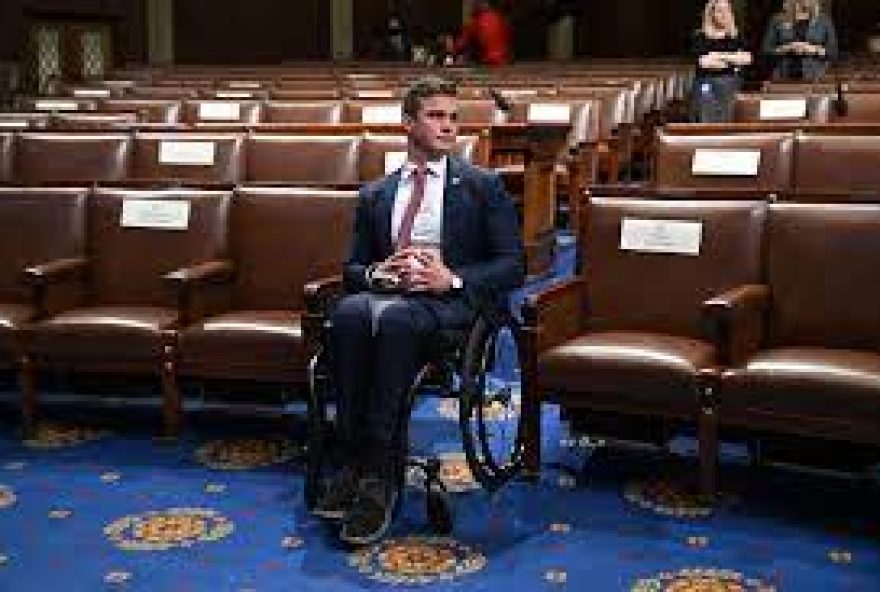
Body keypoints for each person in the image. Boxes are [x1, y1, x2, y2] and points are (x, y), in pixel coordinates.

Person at [313, 76, 525, 546]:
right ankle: (352, 458)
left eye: (453, 117)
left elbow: (514, 265)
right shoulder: (377, 194)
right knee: (348, 313)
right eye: (436, 116)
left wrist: (451, 279)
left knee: (395, 320)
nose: (448, 126)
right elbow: (352, 267)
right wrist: (376, 275)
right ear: (408, 123)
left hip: (448, 307)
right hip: (389, 297)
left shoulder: (481, 186)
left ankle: (381, 478)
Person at [691, 0, 752, 123]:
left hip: (731, 85)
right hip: (707, 85)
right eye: (720, 11)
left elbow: (747, 59)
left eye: (727, 10)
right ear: (711, 14)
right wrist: (733, 58)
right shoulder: (700, 36)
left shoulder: (735, 36)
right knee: (706, 122)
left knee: (729, 120)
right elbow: (705, 63)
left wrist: (718, 55)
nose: (725, 14)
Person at [762, 0, 838, 81]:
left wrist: (814, 49)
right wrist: (787, 48)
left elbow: (833, 53)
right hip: (782, 76)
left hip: (815, 77)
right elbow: (766, 51)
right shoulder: (777, 20)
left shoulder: (823, 21)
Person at [453, 0, 512, 66]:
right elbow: (507, 35)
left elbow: (462, 42)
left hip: (489, 61)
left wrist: (453, 51)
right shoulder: (497, 17)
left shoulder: (475, 22)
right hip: (503, 59)